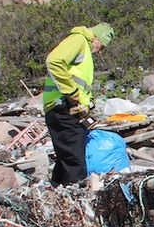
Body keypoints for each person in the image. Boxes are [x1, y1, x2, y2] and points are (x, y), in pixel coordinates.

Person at [42, 23, 114, 186]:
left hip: (66, 107)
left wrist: (87, 104)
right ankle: (75, 196)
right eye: (101, 46)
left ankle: (57, 191)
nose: (100, 51)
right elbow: (54, 61)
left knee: (66, 156)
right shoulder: (79, 40)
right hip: (63, 105)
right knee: (74, 161)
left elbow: (78, 80)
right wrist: (73, 93)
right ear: (96, 38)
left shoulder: (84, 48)